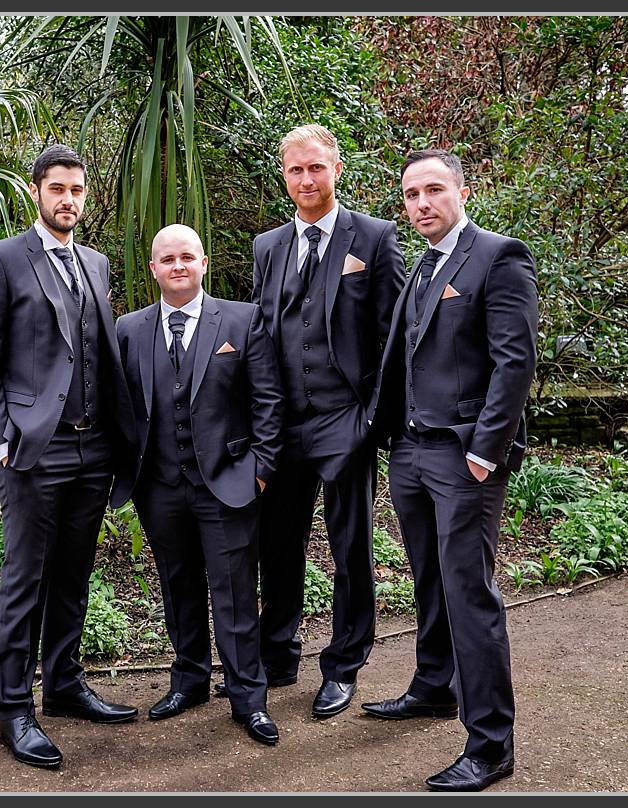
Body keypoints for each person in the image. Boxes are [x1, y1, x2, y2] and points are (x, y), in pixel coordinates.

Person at [362, 148, 535, 792]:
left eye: (434, 190)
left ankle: (491, 744)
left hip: (464, 457)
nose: (421, 204)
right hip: (410, 452)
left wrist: (486, 450)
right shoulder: (423, 266)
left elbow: (514, 362)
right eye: (410, 195)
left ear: (463, 191)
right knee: (429, 578)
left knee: (469, 592)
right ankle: (434, 687)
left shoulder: (498, 256)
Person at [0, 144, 136, 771]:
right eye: (58, 188)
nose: (69, 199)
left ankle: (63, 684)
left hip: (94, 447)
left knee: (73, 573)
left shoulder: (95, 262)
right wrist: (1, 437)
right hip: (36, 448)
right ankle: (14, 708)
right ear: (37, 191)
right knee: (25, 578)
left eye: (78, 190)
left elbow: (98, 351)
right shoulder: (3, 259)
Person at [245, 124, 405, 720]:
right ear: (284, 176)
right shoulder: (269, 247)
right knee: (277, 543)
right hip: (284, 424)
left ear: (336, 167)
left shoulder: (376, 237)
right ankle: (279, 653)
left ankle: (343, 663)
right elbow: (263, 335)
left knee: (350, 548)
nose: (306, 180)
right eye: (295, 170)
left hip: (346, 418)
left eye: (316, 168)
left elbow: (393, 335)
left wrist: (373, 419)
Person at [106, 224, 284, 745]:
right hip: (159, 486)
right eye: (167, 259)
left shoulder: (242, 320)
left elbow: (268, 402)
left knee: (232, 592)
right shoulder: (129, 329)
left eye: (187, 257)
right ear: (153, 269)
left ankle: (248, 697)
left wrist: (261, 468)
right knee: (177, 585)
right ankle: (189, 681)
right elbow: (122, 409)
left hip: (227, 483)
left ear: (203, 263)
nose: (178, 266)